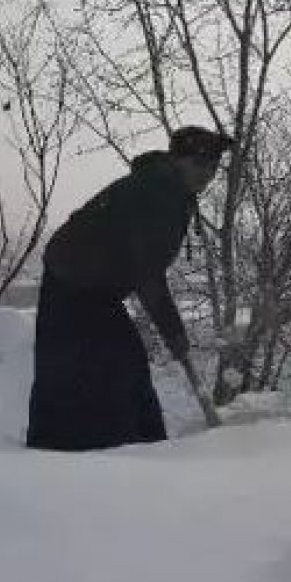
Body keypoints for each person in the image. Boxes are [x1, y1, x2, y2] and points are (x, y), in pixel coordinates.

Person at [26, 126, 234, 450]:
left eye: (212, 167)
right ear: (178, 160)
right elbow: (148, 275)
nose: (207, 174)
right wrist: (175, 334)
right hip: (74, 286)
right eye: (199, 164)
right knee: (97, 372)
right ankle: (98, 453)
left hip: (93, 288)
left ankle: (139, 447)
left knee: (126, 366)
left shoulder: (167, 189)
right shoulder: (157, 194)